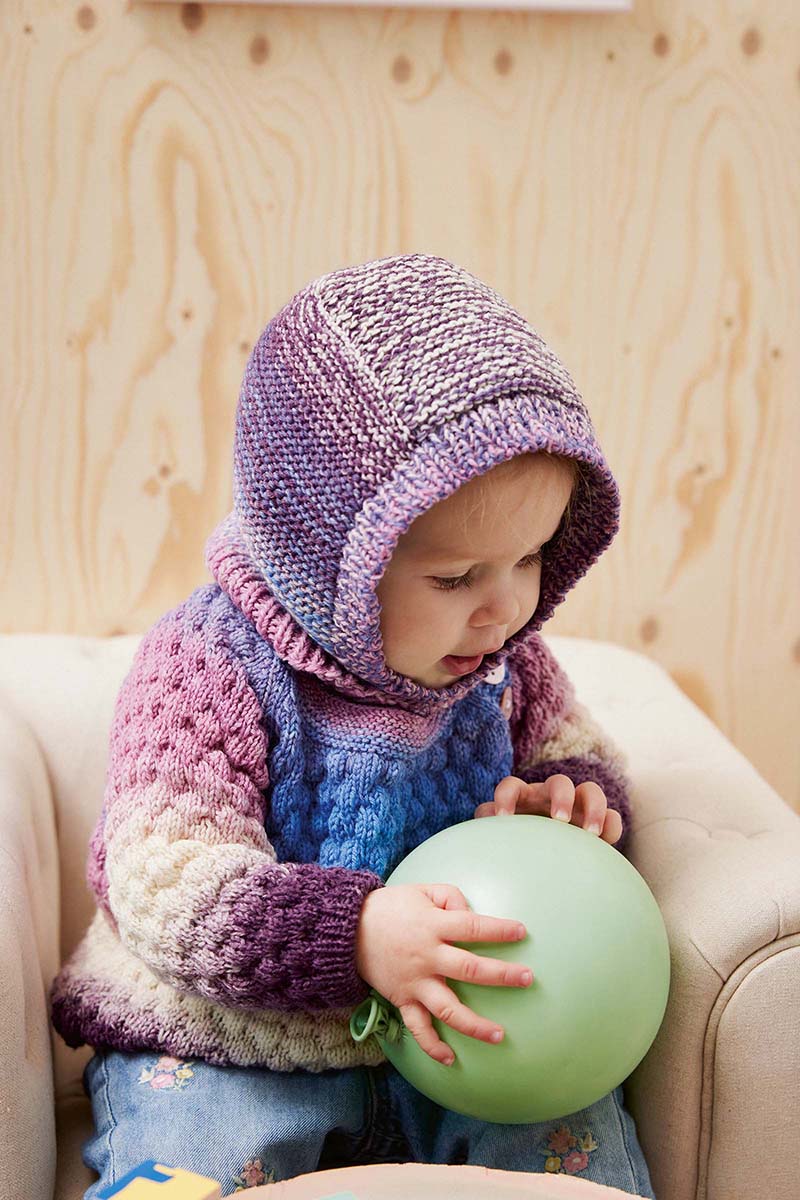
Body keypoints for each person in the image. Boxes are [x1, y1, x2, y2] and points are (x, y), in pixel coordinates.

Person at [50, 253, 656, 1198]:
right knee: (197, 1155)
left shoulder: (503, 663)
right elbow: (164, 877)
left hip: (465, 1037)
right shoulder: (209, 665)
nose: (505, 608)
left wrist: (573, 801)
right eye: (455, 577)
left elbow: (574, 748)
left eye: (531, 557)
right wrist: (357, 935)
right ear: (325, 558)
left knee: (577, 1151)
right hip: (230, 1040)